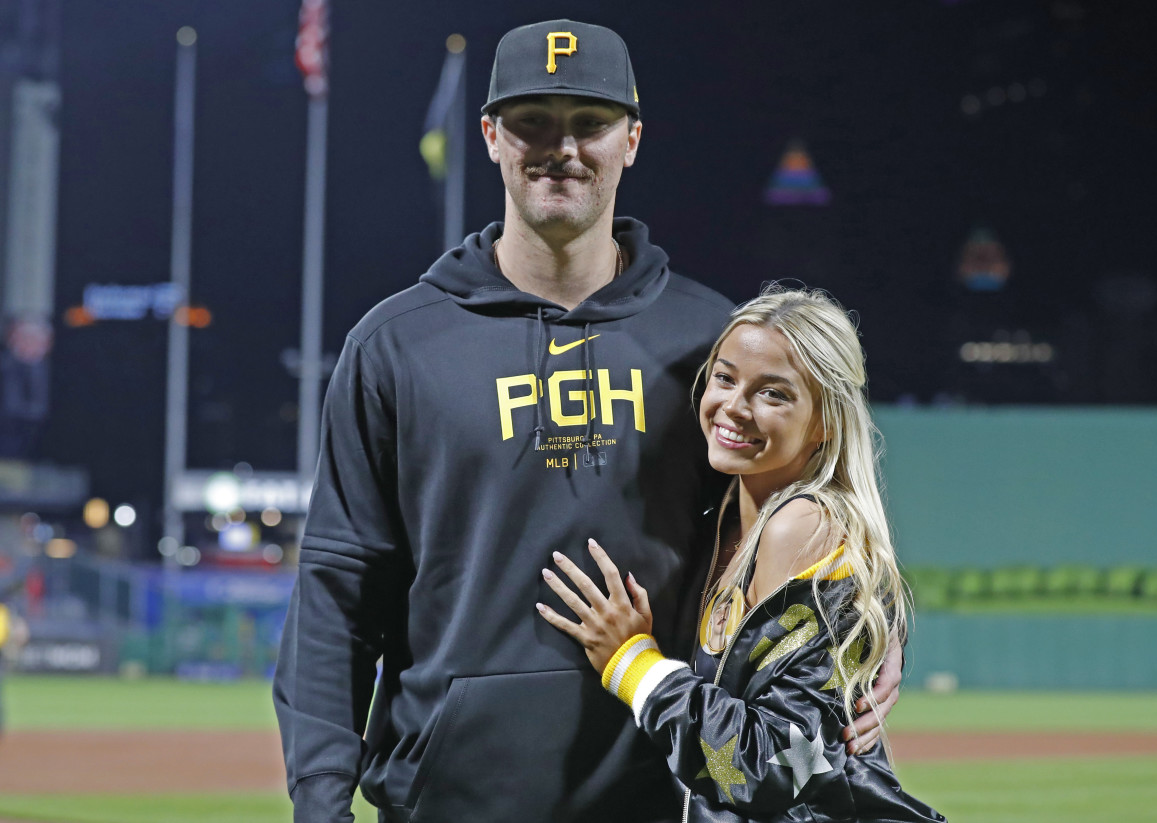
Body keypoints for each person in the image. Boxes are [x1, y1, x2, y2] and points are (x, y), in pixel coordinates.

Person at [274, 21, 899, 823]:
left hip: (662, 795)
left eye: (589, 123)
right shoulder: (397, 345)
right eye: (534, 120)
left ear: (631, 141)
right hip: (450, 802)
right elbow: (336, 596)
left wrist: (863, 642)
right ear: (492, 136)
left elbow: (814, 514)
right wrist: (319, 806)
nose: (561, 147)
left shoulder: (712, 343)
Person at [539, 288, 943, 821]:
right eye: (725, 378)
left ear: (826, 420)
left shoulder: (800, 526)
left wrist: (632, 663)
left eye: (773, 394)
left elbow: (771, 767)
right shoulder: (731, 512)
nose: (734, 406)